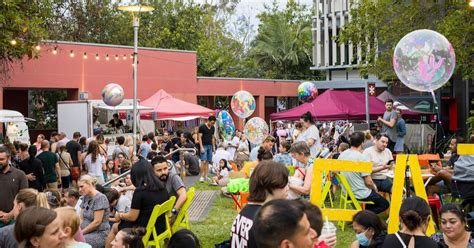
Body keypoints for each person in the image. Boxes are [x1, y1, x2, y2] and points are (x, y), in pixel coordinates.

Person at [106, 160, 169, 248]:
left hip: (144, 230)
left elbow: (132, 216)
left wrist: (120, 215)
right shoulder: (162, 187)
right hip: (160, 227)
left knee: (114, 227)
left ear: (135, 175)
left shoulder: (140, 192)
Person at [230, 160, 289, 248]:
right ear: (272, 185)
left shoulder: (245, 211)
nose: (288, 188)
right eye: (285, 184)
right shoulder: (267, 220)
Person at [338, 132, 389, 214]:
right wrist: (374, 187)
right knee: (385, 204)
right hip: (360, 193)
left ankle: (364, 216)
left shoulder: (342, 155)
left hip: (347, 191)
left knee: (373, 196)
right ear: (362, 143)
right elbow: (368, 182)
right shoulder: (362, 158)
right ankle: (362, 216)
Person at [78, 175, 111, 248]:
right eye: (79, 187)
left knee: (77, 243)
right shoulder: (85, 196)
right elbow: (81, 218)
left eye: (81, 186)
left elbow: (97, 222)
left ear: (89, 184)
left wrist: (80, 233)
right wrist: (77, 231)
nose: (79, 190)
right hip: (86, 231)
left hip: (99, 233)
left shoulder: (100, 198)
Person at [0, 146, 28, 228]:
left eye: (1, 159)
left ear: (8, 158)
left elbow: (24, 198)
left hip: (14, 221)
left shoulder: (20, 175)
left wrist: (10, 215)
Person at [198, 116, 216, 182]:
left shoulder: (213, 128)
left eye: (213, 123)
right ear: (208, 121)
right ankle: (202, 176)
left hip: (210, 146)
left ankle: (206, 175)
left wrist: (214, 147)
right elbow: (199, 137)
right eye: (211, 123)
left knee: (208, 161)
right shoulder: (202, 127)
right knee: (203, 161)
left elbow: (212, 138)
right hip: (204, 146)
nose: (212, 124)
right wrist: (201, 147)